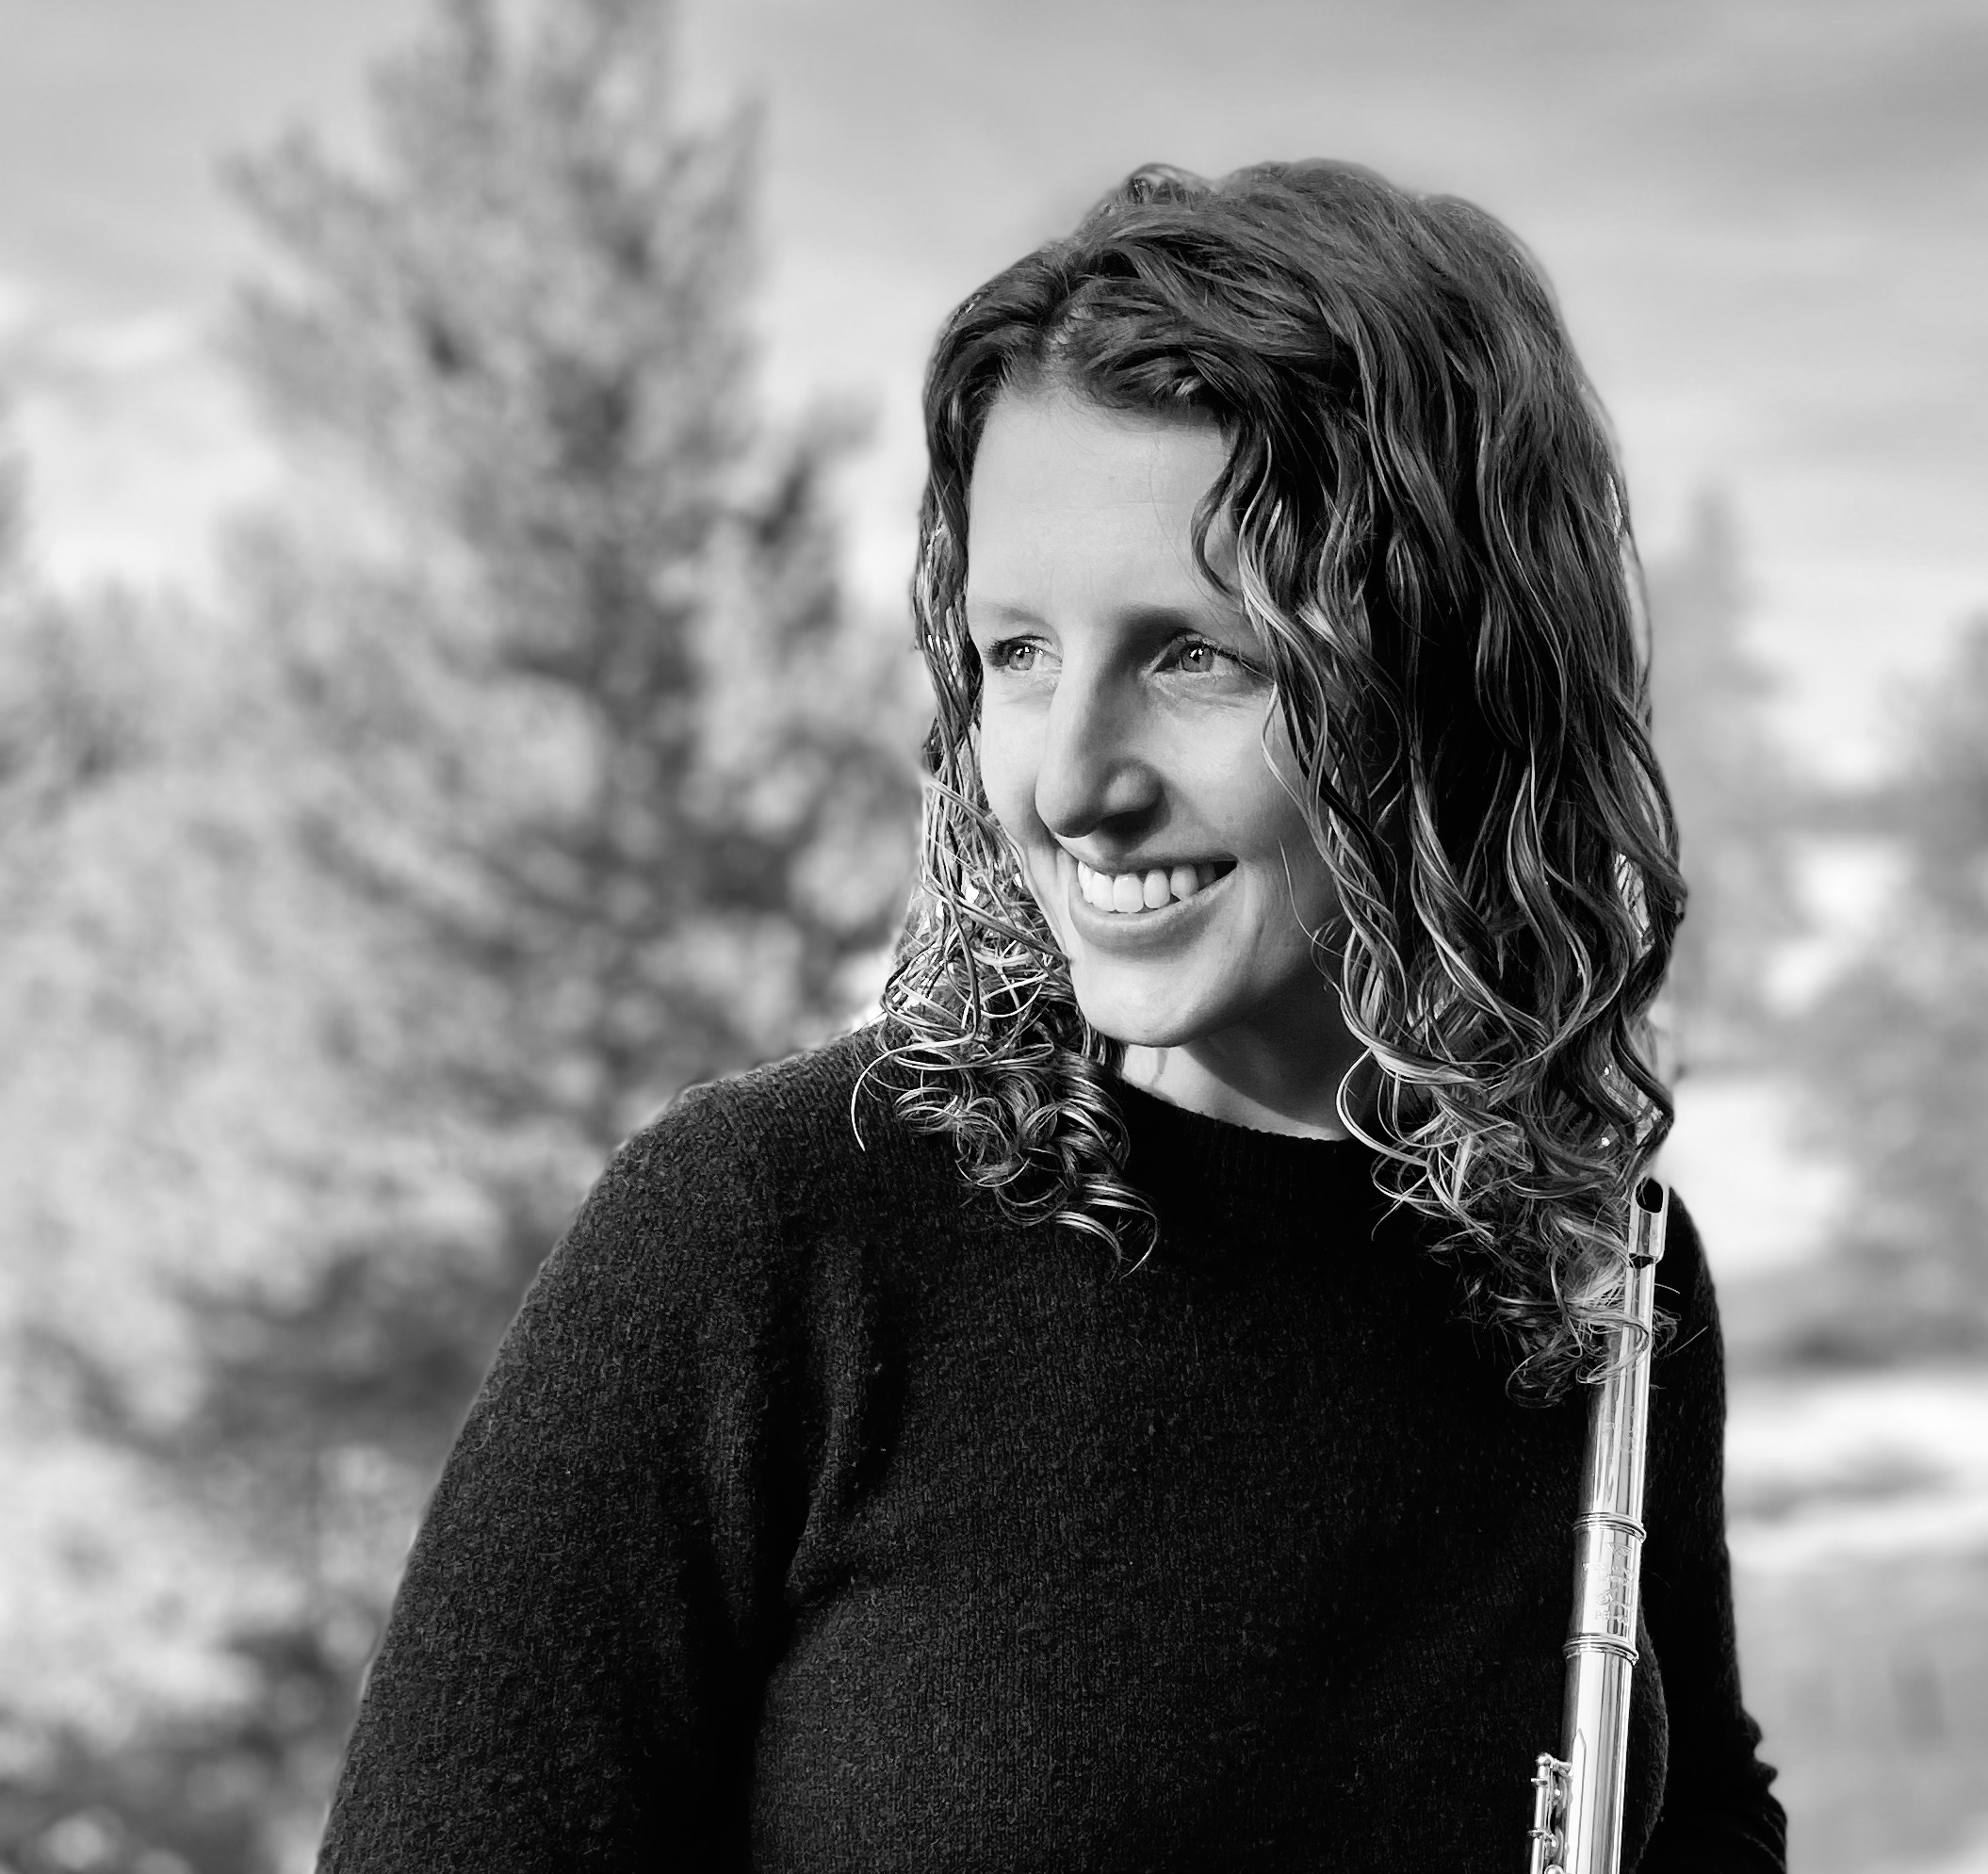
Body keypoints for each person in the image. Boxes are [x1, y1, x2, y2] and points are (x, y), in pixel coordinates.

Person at [317, 160, 1786, 1871]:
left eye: (1196, 657)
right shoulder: (768, 1228)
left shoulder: (1594, 1265)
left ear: (1448, 685)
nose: (1072, 784)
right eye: (1012, 653)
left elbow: (1703, 1823)